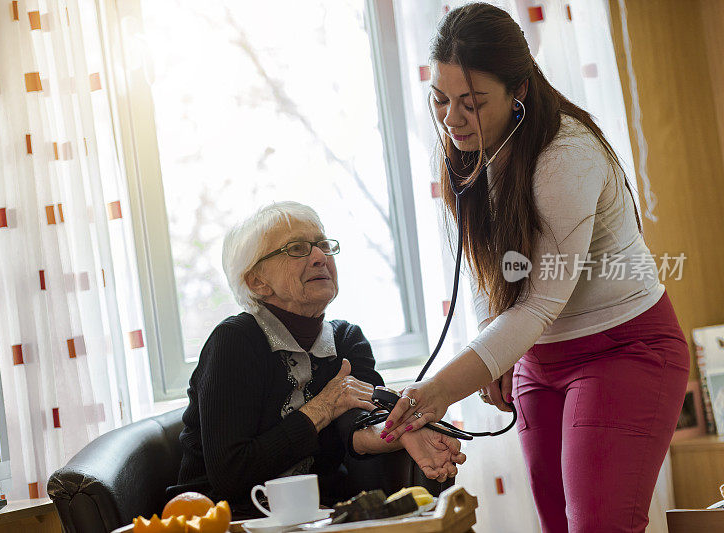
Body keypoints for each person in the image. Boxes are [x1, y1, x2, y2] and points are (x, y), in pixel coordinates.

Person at [380, 4, 689, 532]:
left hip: (624, 350)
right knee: (556, 525)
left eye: (470, 103)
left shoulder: (567, 155)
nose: (451, 118)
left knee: (599, 524)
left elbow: (542, 301)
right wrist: (493, 348)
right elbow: (485, 264)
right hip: (538, 360)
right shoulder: (467, 146)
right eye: (440, 100)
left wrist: (436, 392)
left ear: (517, 91)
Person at [171, 201, 465, 518]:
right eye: (298, 248)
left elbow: (358, 424)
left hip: (320, 515)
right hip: (224, 517)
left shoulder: (347, 340)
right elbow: (231, 473)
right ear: (257, 281)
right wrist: (323, 406)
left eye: (323, 245)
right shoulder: (234, 342)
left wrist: (407, 431)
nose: (320, 257)